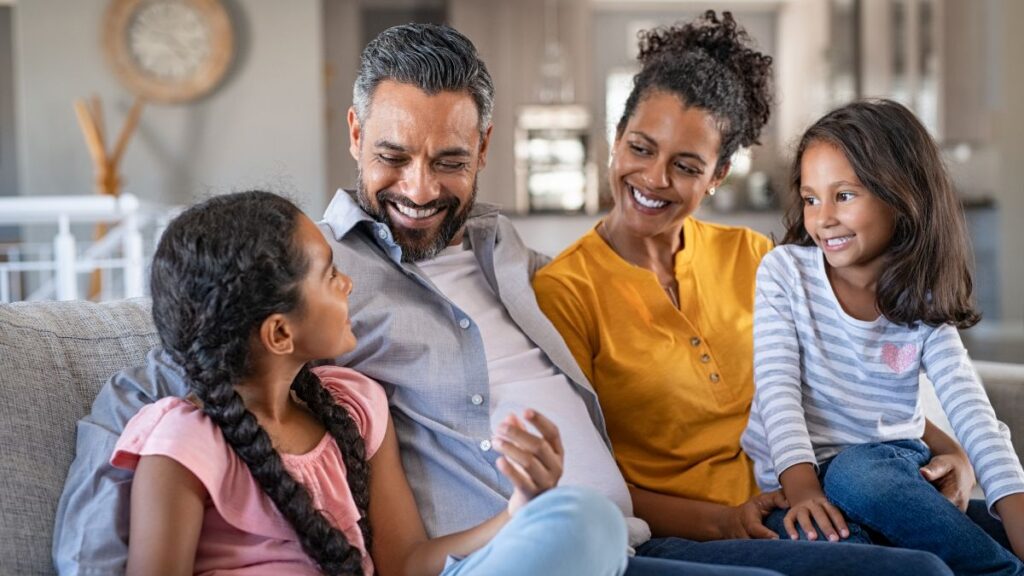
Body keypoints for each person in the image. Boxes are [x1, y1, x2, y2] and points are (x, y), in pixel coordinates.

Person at [56, 22, 932, 576]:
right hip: (513, 552)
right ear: (355, 132)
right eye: (393, 154)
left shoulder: (509, 250)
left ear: (485, 148)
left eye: (450, 161)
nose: (418, 188)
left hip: (619, 541)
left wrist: (927, 435)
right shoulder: (299, 278)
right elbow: (165, 379)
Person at [532, 10, 981, 575]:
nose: (653, 178)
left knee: (984, 532)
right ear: (615, 140)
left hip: (811, 498)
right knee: (920, 571)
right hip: (690, 538)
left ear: (718, 175)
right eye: (641, 148)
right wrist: (723, 520)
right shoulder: (563, 292)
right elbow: (585, 480)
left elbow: (852, 379)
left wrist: (951, 450)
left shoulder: (754, 257)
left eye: (686, 165)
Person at [113, 190, 627, 575]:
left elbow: (406, 563)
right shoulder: (184, 443)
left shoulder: (355, 406)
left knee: (585, 518)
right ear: (279, 332)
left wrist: (520, 509)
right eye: (330, 275)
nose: (349, 284)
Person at [739, 99, 1024, 575]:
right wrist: (803, 489)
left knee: (857, 474)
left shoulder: (922, 299)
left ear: (901, 196)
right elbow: (777, 392)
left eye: (844, 195)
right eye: (811, 198)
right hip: (803, 484)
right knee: (822, 536)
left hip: (885, 473)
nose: (823, 217)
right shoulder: (785, 273)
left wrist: (1015, 506)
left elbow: (971, 409)